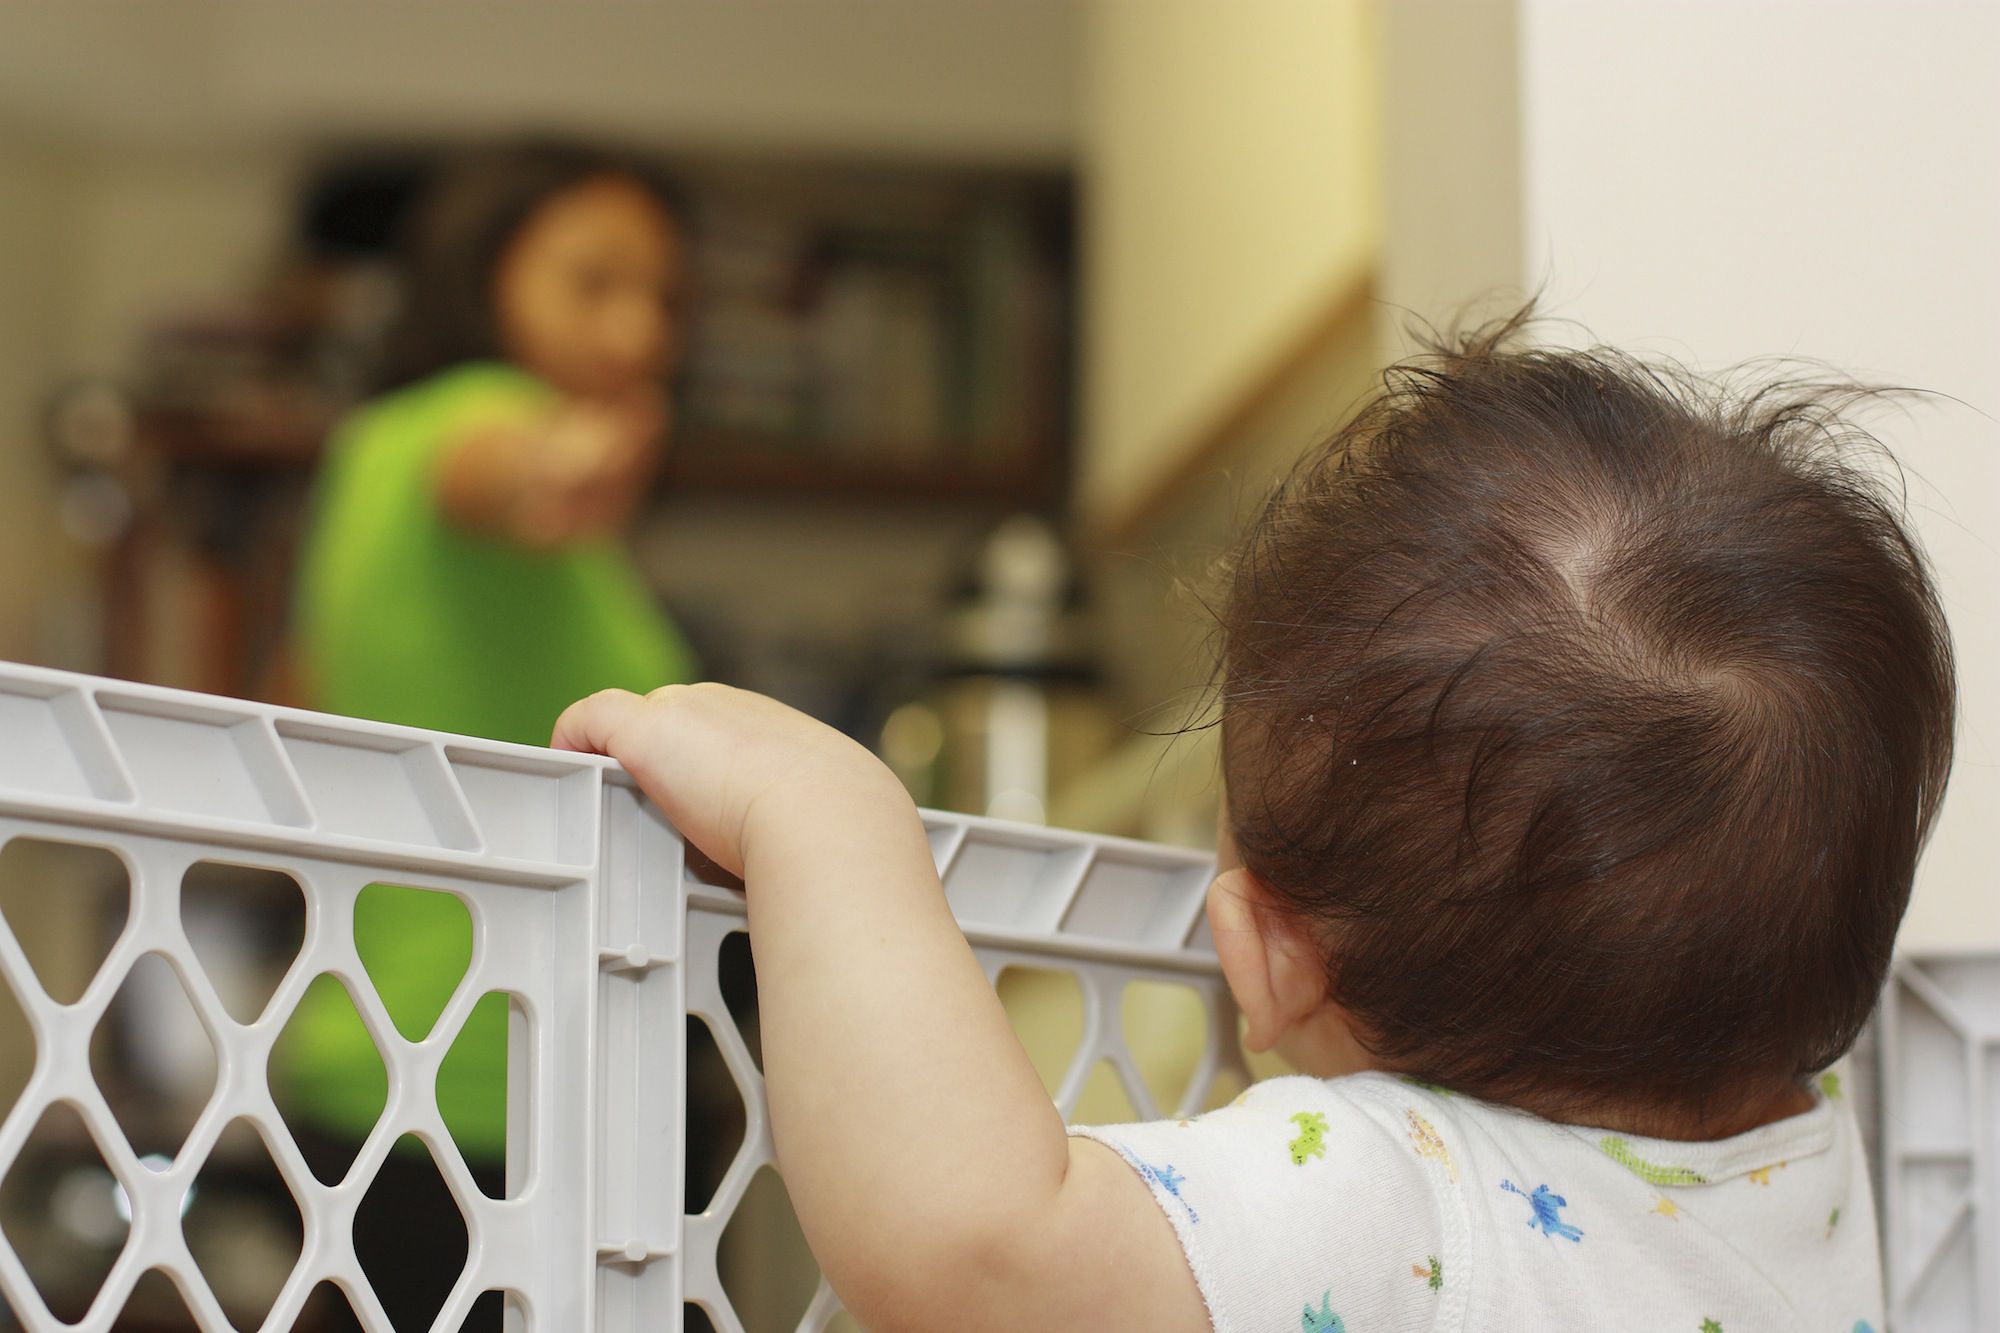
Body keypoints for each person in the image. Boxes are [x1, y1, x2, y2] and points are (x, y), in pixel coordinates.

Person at [552, 314, 1951, 1332]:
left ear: (1268, 957)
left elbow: (979, 1251)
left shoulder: (1401, 1195)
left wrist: (831, 818)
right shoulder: (1809, 1174)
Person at [285, 143, 696, 1328]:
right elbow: (505, 467)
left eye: (661, 296)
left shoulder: (363, 453)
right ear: (484, 274)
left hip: (380, 1051)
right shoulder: (468, 422)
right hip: (485, 1078)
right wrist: (561, 465)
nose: (635, 330)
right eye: (592, 281)